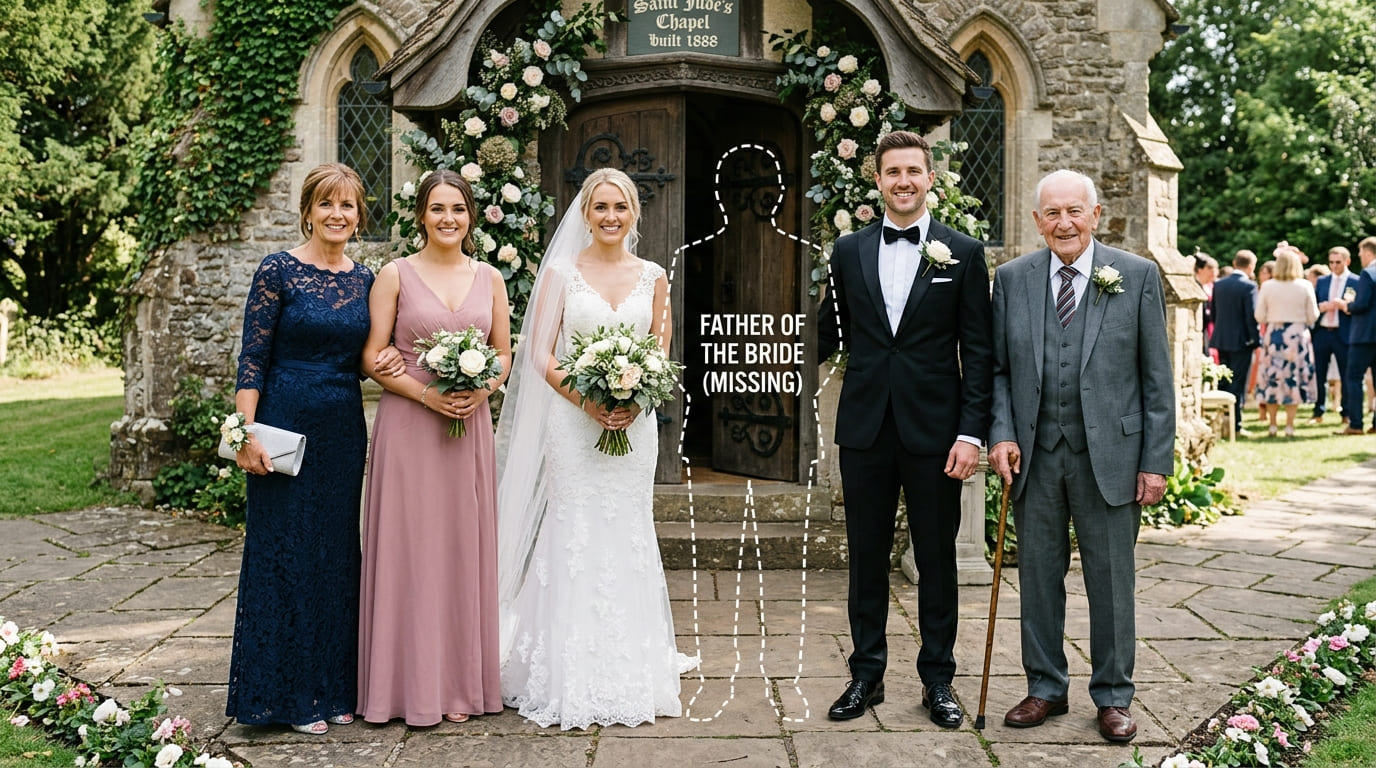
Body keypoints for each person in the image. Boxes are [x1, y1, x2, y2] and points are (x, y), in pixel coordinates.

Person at [495, 168, 697, 730]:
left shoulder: (655, 276)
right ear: (585, 213)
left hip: (635, 426)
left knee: (626, 527)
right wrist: (588, 402)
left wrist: (635, 401)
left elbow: (661, 351)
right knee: (575, 526)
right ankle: (566, 664)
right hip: (572, 422)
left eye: (621, 207)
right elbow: (539, 352)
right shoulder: (561, 273)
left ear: (635, 213)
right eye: (600, 207)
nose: (611, 217)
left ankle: (629, 660)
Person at [989, 170, 1173, 744]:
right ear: (1037, 220)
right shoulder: (1012, 279)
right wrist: (1000, 433)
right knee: (1039, 577)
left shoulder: (1137, 275)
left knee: (1112, 582)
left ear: (1096, 215)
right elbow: (997, 370)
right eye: (1052, 213)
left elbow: (1156, 380)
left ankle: (1113, 697)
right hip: (1036, 457)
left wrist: (1156, 461)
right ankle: (1045, 687)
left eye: (1075, 211)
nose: (1064, 223)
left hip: (1113, 457)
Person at [816, 130, 994, 727]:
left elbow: (979, 350)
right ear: (878, 180)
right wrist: (756, 347)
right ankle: (866, 676)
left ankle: (938, 681)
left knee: (937, 560)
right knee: (865, 558)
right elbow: (825, 331)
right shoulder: (847, 251)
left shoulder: (963, 254)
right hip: (865, 429)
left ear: (930, 179)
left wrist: (972, 434)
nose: (904, 181)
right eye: (893, 172)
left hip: (937, 434)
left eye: (914, 171)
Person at [225, 163, 400, 735]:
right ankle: (285, 697)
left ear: (359, 216)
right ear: (308, 210)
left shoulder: (366, 280)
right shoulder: (277, 270)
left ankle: (331, 688)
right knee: (285, 555)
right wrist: (242, 433)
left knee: (334, 556)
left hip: (342, 431)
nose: (337, 215)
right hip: (282, 424)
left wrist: (395, 365)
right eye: (327, 204)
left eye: (348, 206)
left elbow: (370, 357)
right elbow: (252, 358)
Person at [356, 170, 512, 726]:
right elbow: (372, 357)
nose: (449, 219)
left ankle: (459, 688)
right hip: (409, 425)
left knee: (458, 550)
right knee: (410, 550)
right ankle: (402, 689)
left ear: (471, 217)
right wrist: (426, 393)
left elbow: (502, 356)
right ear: (421, 215)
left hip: (467, 427)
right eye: (438, 209)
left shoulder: (490, 277)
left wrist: (481, 387)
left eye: (459, 209)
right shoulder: (394, 275)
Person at [1254, 245, 1319, 437]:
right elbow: (1313, 315)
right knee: (1294, 379)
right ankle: (1289, 426)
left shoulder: (1267, 286)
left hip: (1275, 335)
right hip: (1297, 335)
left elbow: (1259, 316)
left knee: (1272, 379)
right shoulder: (1305, 285)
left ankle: (1273, 425)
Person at [1209, 250, 1260, 435]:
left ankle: (1221, 425)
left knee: (1223, 382)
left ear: (1234, 262)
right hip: (1242, 342)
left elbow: (1214, 313)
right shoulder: (1249, 286)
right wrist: (1256, 339)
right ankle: (1235, 426)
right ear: (1251, 266)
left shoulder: (1219, 284)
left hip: (1221, 339)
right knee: (1237, 384)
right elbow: (1251, 317)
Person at [1311, 247, 1357, 425]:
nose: (1334, 265)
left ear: (1347, 261)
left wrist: (1345, 305)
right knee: (1319, 375)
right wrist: (1321, 307)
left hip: (1343, 332)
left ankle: (1346, 412)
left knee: (1346, 375)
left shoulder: (1356, 281)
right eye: (1331, 262)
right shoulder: (1322, 281)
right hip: (1323, 332)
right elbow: (1313, 303)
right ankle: (1318, 411)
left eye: (1338, 262)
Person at [1338, 236, 1376, 435]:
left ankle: (1356, 424)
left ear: (1368, 252)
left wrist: (1347, 305)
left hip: (1364, 336)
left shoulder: (1368, 274)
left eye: (1361, 253)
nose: (1360, 256)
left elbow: (1361, 304)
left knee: (1353, 378)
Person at [1195, 252, 1218, 355]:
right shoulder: (1195, 286)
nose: (1213, 272)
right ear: (1200, 269)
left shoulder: (1207, 286)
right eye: (1209, 268)